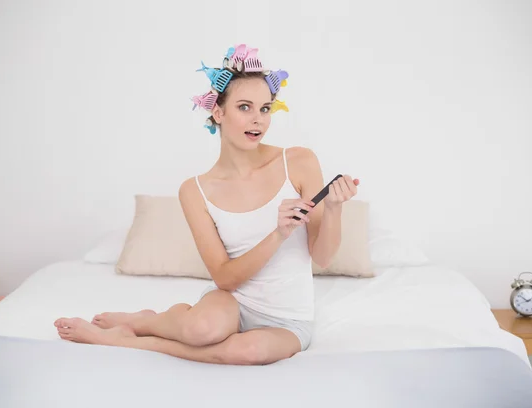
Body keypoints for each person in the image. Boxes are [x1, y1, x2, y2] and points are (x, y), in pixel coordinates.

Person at [54, 44, 359, 365]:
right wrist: (278, 234)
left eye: (265, 109)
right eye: (245, 107)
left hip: (288, 319)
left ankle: (124, 338)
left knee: (246, 352)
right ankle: (150, 320)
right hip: (231, 300)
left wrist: (335, 209)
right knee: (201, 330)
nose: (258, 120)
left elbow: (322, 258)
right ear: (218, 112)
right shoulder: (194, 190)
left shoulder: (298, 161)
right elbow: (225, 279)